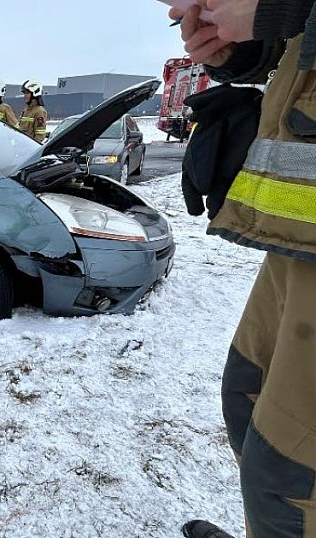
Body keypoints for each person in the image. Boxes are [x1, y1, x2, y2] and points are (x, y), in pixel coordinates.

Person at [171, 0, 316, 537]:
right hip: (301, 238)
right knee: (245, 398)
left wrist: (277, 9)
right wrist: (243, 51)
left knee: (290, 476)